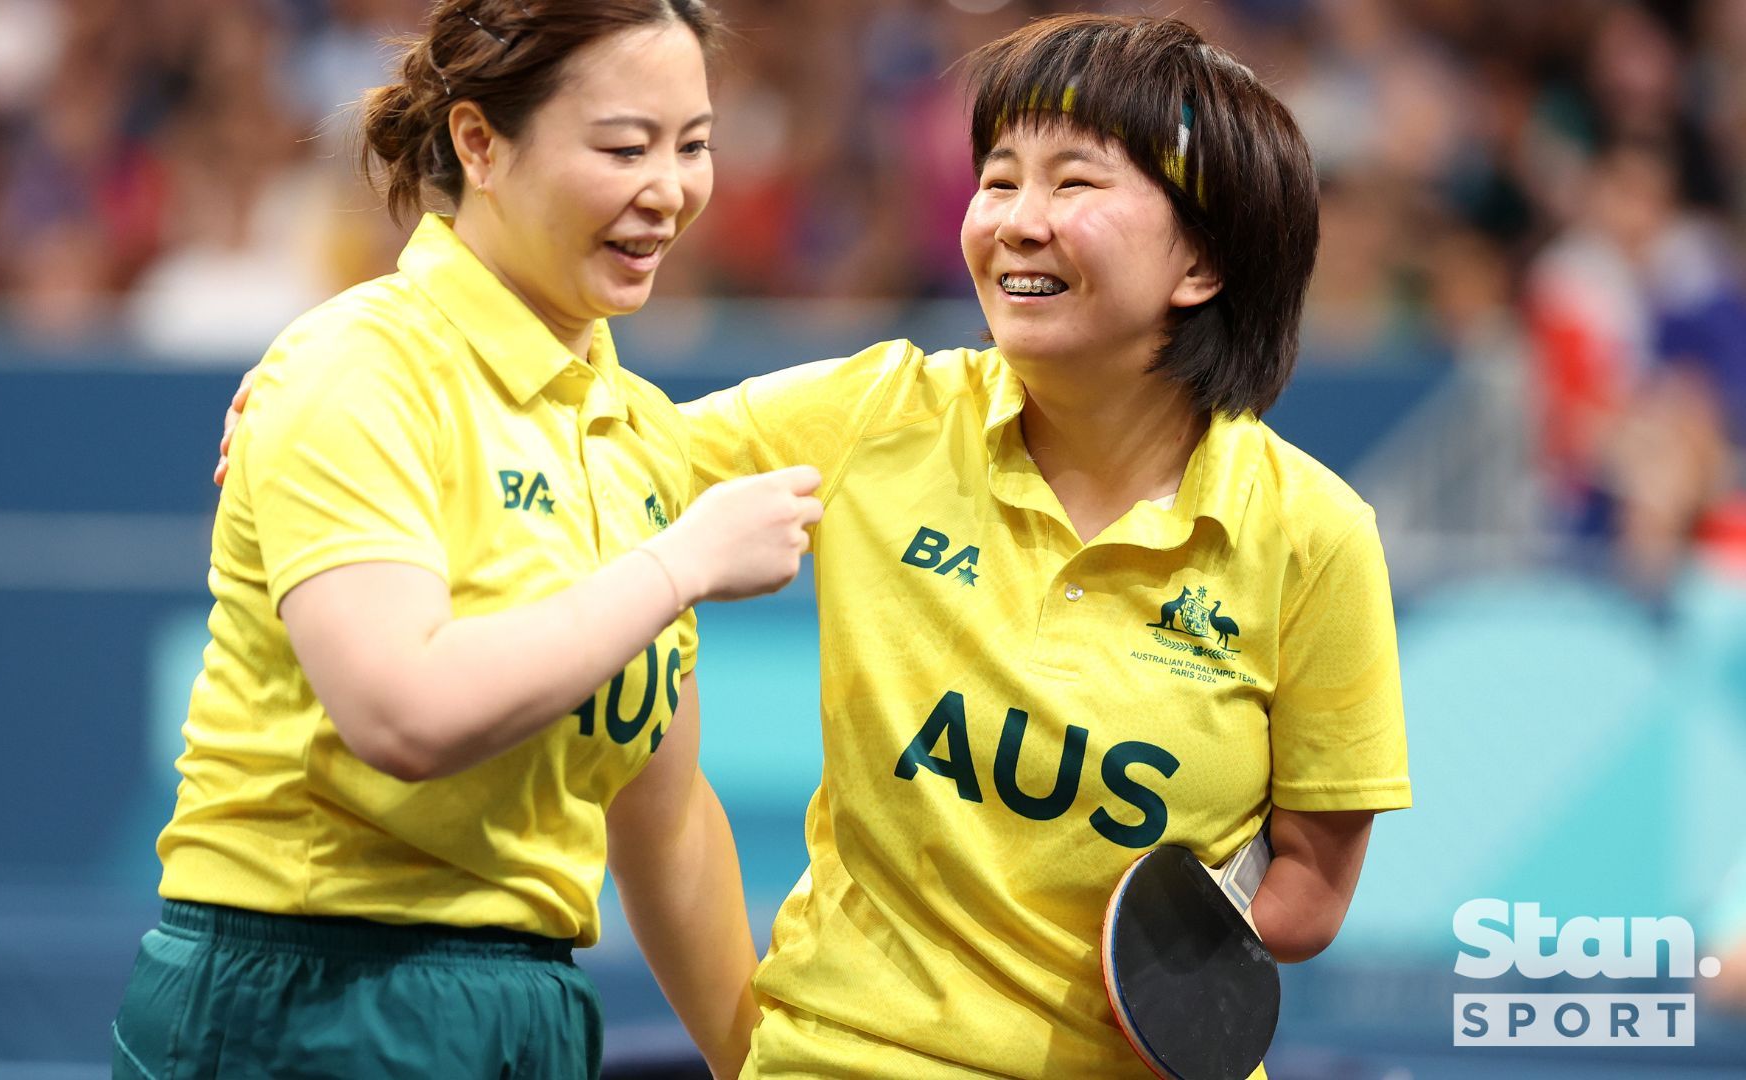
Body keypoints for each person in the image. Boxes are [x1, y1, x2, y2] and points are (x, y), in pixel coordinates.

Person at [218, 13, 1411, 1077]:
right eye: (998, 179)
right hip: (843, 1058)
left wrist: (1186, 937)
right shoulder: (875, 416)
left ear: (1201, 262)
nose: (1015, 222)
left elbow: (1309, 881)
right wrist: (316, 400)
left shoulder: (1311, 537)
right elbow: (592, 468)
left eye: (1076, 183)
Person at [113, 2, 822, 1078]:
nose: (668, 190)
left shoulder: (635, 434)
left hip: (529, 1004)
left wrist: (763, 1066)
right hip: (310, 997)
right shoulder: (357, 370)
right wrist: (680, 564)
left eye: (695, 146)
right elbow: (405, 711)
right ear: (480, 143)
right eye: (625, 147)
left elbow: (664, 816)